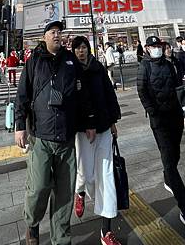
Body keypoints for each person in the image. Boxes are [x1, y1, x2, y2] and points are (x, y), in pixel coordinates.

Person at [15, 20, 95, 245]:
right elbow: (22, 94)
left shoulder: (71, 60)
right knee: (39, 187)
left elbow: (83, 94)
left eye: (59, 32)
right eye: (53, 32)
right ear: (44, 37)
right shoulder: (34, 61)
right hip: (41, 136)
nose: (57, 35)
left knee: (64, 193)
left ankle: (61, 238)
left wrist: (89, 121)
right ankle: (32, 223)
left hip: (66, 137)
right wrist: (20, 125)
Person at [137, 35, 185, 231]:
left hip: (174, 117)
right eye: (153, 46)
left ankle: (167, 177)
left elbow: (176, 87)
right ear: (147, 48)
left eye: (159, 45)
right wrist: (153, 111)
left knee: (175, 156)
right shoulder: (144, 67)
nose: (156, 48)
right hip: (159, 122)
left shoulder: (169, 64)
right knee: (169, 161)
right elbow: (142, 91)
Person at [72, 36, 121, 245]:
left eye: (84, 48)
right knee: (86, 174)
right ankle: (79, 191)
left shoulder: (98, 68)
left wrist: (113, 120)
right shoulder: (71, 70)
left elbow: (109, 94)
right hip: (82, 132)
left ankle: (106, 230)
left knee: (106, 177)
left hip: (103, 128)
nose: (81, 51)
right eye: (78, 48)